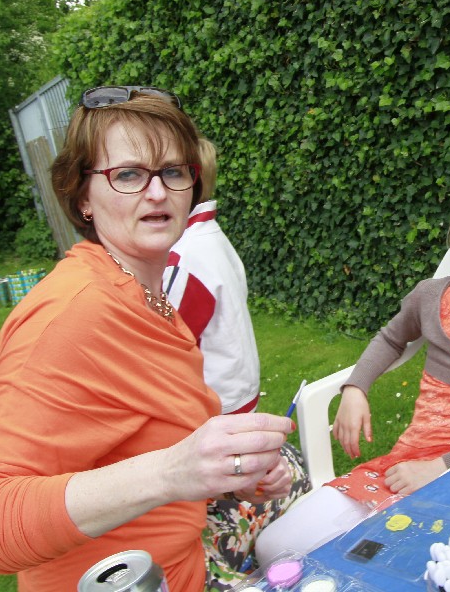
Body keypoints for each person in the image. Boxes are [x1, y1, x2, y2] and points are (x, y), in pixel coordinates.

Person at [0, 86, 294, 592]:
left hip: (183, 567)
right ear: (82, 197)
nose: (157, 192)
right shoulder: (72, 315)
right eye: (127, 174)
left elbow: (151, 447)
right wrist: (171, 471)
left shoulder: (150, 296)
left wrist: (234, 476)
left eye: (173, 171)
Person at [254, 177, 450, 561]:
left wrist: (440, 468)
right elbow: (391, 339)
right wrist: (356, 388)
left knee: (385, 561)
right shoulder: (429, 297)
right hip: (407, 463)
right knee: (274, 546)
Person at [163, 135, 311, 587]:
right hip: (234, 401)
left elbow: (166, 346)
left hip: (215, 414)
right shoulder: (211, 241)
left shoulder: (185, 257)